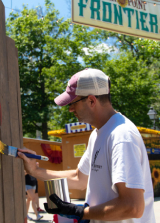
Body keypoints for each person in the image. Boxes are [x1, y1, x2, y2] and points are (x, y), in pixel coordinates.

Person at [18, 68, 156, 223]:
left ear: (91, 100)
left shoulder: (121, 136)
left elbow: (133, 207)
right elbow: (79, 178)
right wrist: (35, 170)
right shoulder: (98, 133)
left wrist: (80, 212)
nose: (70, 109)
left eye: (73, 103)